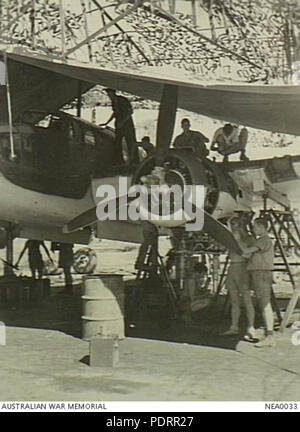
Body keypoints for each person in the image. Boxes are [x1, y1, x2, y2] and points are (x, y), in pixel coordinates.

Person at [237, 218, 275, 348]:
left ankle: (269, 335)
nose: (253, 229)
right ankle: (268, 334)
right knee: (263, 303)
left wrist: (237, 240)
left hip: (261, 273)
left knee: (264, 304)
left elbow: (247, 251)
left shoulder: (264, 240)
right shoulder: (262, 240)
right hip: (259, 273)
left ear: (261, 227)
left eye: (255, 226)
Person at [221, 217, 256, 338]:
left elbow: (248, 254)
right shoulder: (232, 239)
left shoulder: (249, 239)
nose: (234, 228)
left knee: (247, 299)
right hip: (233, 268)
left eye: (235, 225)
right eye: (232, 225)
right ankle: (234, 326)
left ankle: (251, 327)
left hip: (243, 268)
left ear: (241, 225)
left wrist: (238, 240)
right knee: (234, 300)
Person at [100, 88, 138, 165]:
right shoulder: (113, 102)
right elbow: (115, 113)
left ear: (114, 93)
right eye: (108, 94)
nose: (109, 96)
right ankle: (119, 161)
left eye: (110, 94)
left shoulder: (122, 100)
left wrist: (122, 122)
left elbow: (130, 112)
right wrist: (107, 122)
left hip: (127, 125)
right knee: (118, 143)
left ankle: (134, 161)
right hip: (119, 125)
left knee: (131, 142)